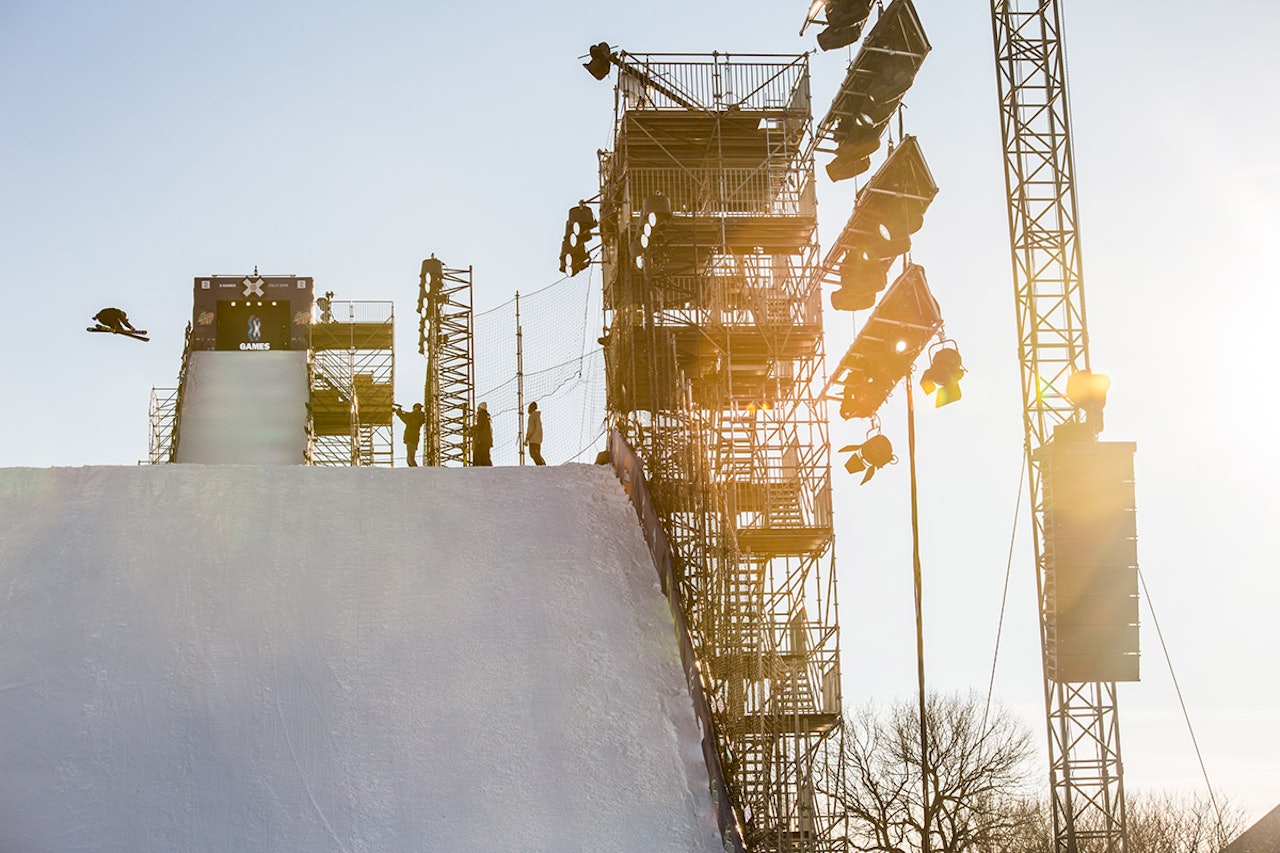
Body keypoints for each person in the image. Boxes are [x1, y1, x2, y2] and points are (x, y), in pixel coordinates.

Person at [393, 402, 426, 467]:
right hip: (412, 438)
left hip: (411, 437)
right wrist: (399, 411)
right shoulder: (418, 416)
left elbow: (406, 417)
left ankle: (416, 472)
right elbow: (407, 416)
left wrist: (398, 412)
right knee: (409, 459)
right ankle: (413, 472)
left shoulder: (417, 415)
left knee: (410, 458)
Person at [470, 402, 493, 466]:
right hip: (487, 441)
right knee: (485, 457)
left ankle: (476, 468)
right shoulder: (486, 417)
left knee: (477, 454)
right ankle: (488, 469)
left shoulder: (482, 415)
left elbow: (479, 427)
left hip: (482, 440)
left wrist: (471, 429)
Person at [525, 401, 545, 466]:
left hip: (533, 439)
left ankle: (541, 465)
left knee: (533, 454)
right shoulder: (537, 416)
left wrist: (527, 439)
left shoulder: (532, 416)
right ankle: (542, 465)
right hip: (538, 439)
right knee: (537, 453)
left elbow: (531, 428)